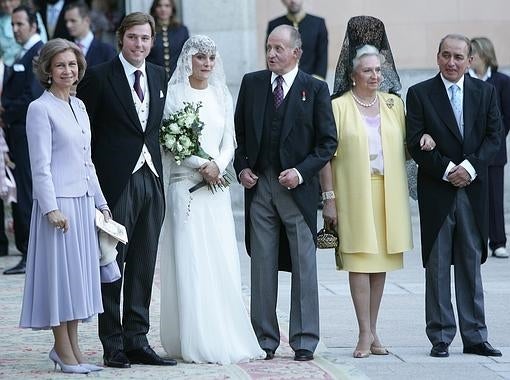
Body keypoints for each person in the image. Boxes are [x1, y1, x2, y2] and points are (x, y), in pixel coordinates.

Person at [159, 35, 265, 365]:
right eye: (200, 57)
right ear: (188, 59)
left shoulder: (221, 92)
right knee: (191, 262)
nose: (206, 64)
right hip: (185, 188)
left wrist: (218, 164)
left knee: (219, 260)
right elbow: (169, 139)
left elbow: (230, 140)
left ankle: (224, 333)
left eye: (211, 58)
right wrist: (199, 165)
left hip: (216, 188)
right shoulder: (175, 93)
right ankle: (193, 338)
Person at [77, 12, 175, 368]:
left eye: (145, 38)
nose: (139, 45)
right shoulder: (100, 77)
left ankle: (138, 339)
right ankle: (113, 343)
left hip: (152, 179)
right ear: (121, 38)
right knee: (111, 265)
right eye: (133, 37)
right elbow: (86, 137)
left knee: (144, 265)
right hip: (115, 183)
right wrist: (94, 192)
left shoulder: (160, 76)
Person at [234, 24, 337, 362]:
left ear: (297, 52)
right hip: (261, 188)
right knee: (261, 265)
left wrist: (300, 172)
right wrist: (242, 167)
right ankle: (264, 338)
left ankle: (305, 339)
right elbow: (241, 136)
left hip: (298, 192)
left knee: (304, 265)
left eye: (279, 48)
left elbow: (327, 144)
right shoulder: (252, 84)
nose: (271, 54)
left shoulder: (316, 89)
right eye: (268, 47)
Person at [320, 15, 417, 358]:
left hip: (387, 194)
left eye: (378, 70)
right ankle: (363, 333)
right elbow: (326, 157)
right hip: (352, 193)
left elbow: (408, 145)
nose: (375, 76)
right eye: (367, 71)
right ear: (352, 75)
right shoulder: (337, 107)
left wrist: (427, 140)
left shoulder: (395, 105)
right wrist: (328, 199)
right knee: (359, 262)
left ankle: (374, 330)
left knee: (381, 263)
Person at [406, 34, 503, 358]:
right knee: (437, 267)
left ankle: (475, 336)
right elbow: (413, 141)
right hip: (438, 191)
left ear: (470, 60)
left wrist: (469, 168)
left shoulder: (486, 93)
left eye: (458, 57)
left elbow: (494, 138)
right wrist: (448, 170)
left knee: (470, 264)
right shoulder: (419, 94)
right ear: (437, 57)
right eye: (446, 55)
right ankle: (441, 336)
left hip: (473, 192)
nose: (451, 62)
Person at [19, 38, 110, 374]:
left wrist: (101, 203)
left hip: (83, 203)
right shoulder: (39, 109)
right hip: (58, 208)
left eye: (72, 64)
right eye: (60, 65)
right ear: (47, 70)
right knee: (61, 280)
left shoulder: (80, 106)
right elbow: (39, 166)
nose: (67, 70)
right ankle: (62, 349)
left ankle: (71, 349)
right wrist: (50, 208)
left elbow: (88, 162)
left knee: (78, 281)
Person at [1, 5, 43, 275]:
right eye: (13, 25)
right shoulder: (22, 52)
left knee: (27, 191)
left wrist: (5, 109)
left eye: (20, 24)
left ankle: (30, 252)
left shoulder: (37, 53)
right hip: (15, 134)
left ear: (33, 25)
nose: (15, 29)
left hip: (26, 133)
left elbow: (32, 97)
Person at [469, 37, 510, 259]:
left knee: (495, 197)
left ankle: (498, 242)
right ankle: (476, 240)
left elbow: (507, 116)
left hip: (495, 152)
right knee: (474, 197)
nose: (470, 57)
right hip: (469, 151)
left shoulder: (502, 81)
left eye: (472, 53)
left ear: (484, 54)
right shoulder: (464, 80)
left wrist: (495, 139)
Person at [267, 0, 328, 80]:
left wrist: (317, 82)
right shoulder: (274, 25)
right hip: (283, 83)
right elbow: (271, 56)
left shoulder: (318, 23)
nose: (293, 1)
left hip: (311, 81)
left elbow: (322, 55)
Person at [64, 0, 116, 68]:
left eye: (73, 21)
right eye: (66, 21)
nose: (68, 25)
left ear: (87, 20)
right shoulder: (65, 48)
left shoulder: (106, 51)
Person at [146, 0, 188, 79]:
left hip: (177, 78)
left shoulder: (182, 30)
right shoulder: (148, 30)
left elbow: (187, 56)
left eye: (167, 6)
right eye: (159, 6)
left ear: (172, 9)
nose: (163, 9)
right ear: (154, 9)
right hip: (153, 77)